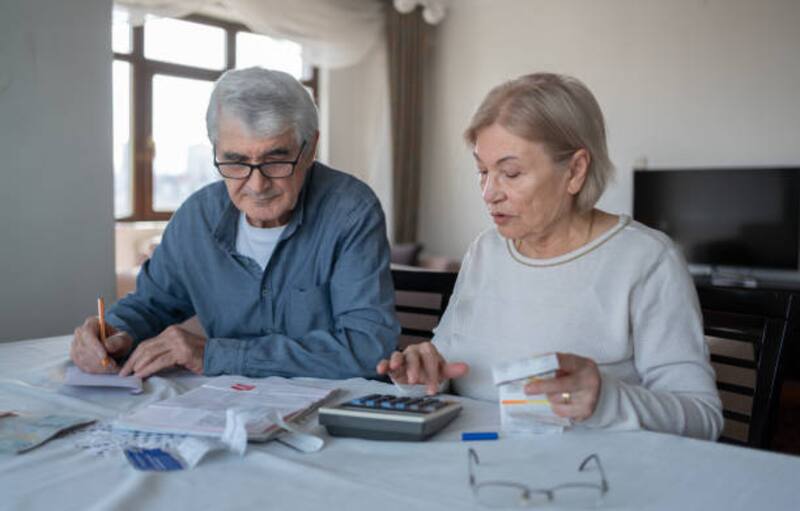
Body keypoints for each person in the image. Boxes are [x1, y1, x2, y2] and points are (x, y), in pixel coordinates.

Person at [377, 73, 723, 440]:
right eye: (482, 171)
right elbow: (446, 365)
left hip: (586, 479)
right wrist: (421, 373)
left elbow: (704, 418)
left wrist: (606, 399)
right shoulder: (486, 250)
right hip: (475, 460)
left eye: (510, 173)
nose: (489, 192)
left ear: (575, 171)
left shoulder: (645, 259)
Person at [71, 67, 399, 379]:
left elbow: (368, 348)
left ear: (310, 148)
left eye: (275, 160)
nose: (257, 186)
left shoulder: (350, 211)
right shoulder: (196, 217)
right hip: (225, 410)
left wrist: (218, 355)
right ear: (216, 150)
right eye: (236, 161)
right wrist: (109, 333)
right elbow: (149, 305)